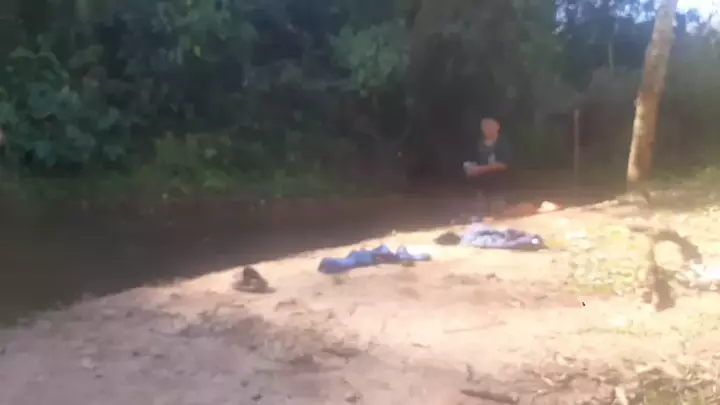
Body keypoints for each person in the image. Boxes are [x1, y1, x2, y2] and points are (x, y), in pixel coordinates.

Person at [462, 118, 515, 211]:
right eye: (484, 127)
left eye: (489, 126)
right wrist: (469, 167)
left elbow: (503, 165)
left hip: (500, 187)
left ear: (497, 127)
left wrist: (480, 169)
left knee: (498, 212)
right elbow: (475, 160)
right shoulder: (480, 143)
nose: (486, 129)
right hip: (483, 187)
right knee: (480, 211)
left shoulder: (502, 144)